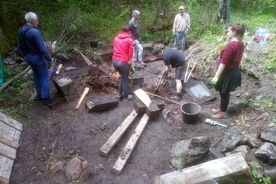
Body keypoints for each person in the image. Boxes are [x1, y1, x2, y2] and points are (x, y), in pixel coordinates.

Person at [211, 23, 246, 119]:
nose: (227, 33)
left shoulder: (232, 45)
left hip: (228, 72)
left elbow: (223, 63)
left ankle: (223, 112)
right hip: (234, 70)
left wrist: (216, 76)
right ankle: (222, 108)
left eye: (228, 31)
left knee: (224, 92)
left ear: (234, 32)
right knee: (224, 91)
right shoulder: (240, 43)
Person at [18, 12, 53, 104]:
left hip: (28, 58)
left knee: (36, 76)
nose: (37, 22)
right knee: (44, 76)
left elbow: (20, 47)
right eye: (37, 20)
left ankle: (39, 95)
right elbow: (42, 48)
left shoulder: (21, 30)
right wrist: (49, 58)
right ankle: (45, 98)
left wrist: (25, 56)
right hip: (37, 58)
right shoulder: (34, 32)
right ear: (32, 21)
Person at [112, 26, 134, 102]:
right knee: (125, 79)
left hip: (114, 61)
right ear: (129, 32)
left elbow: (114, 49)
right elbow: (130, 54)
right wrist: (131, 64)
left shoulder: (115, 38)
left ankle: (119, 94)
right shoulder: (130, 40)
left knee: (122, 77)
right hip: (123, 62)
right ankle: (126, 97)